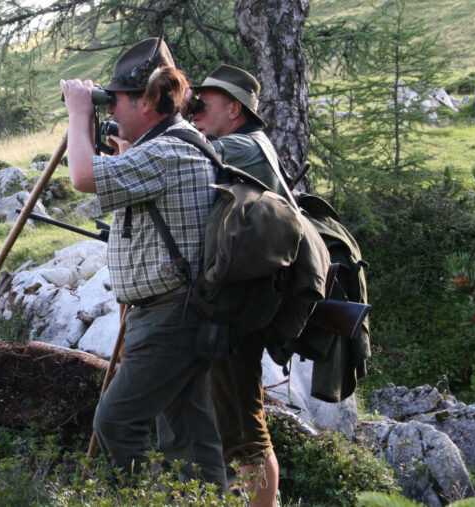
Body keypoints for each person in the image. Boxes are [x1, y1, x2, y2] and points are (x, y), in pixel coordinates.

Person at [60, 37, 227, 487]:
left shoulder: (169, 151)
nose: (109, 110)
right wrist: (109, 138)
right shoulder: (175, 145)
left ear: (149, 99)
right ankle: (207, 498)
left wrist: (79, 114)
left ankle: (138, 498)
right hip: (182, 311)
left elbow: (82, 176)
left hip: (171, 315)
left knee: (116, 422)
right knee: (189, 435)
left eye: (115, 100)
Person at [189, 64, 285, 507]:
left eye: (201, 104)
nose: (193, 113)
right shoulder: (242, 143)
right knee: (239, 414)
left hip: (242, 299)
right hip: (244, 290)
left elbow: (188, 159)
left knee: (245, 427)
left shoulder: (244, 146)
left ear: (233, 108)